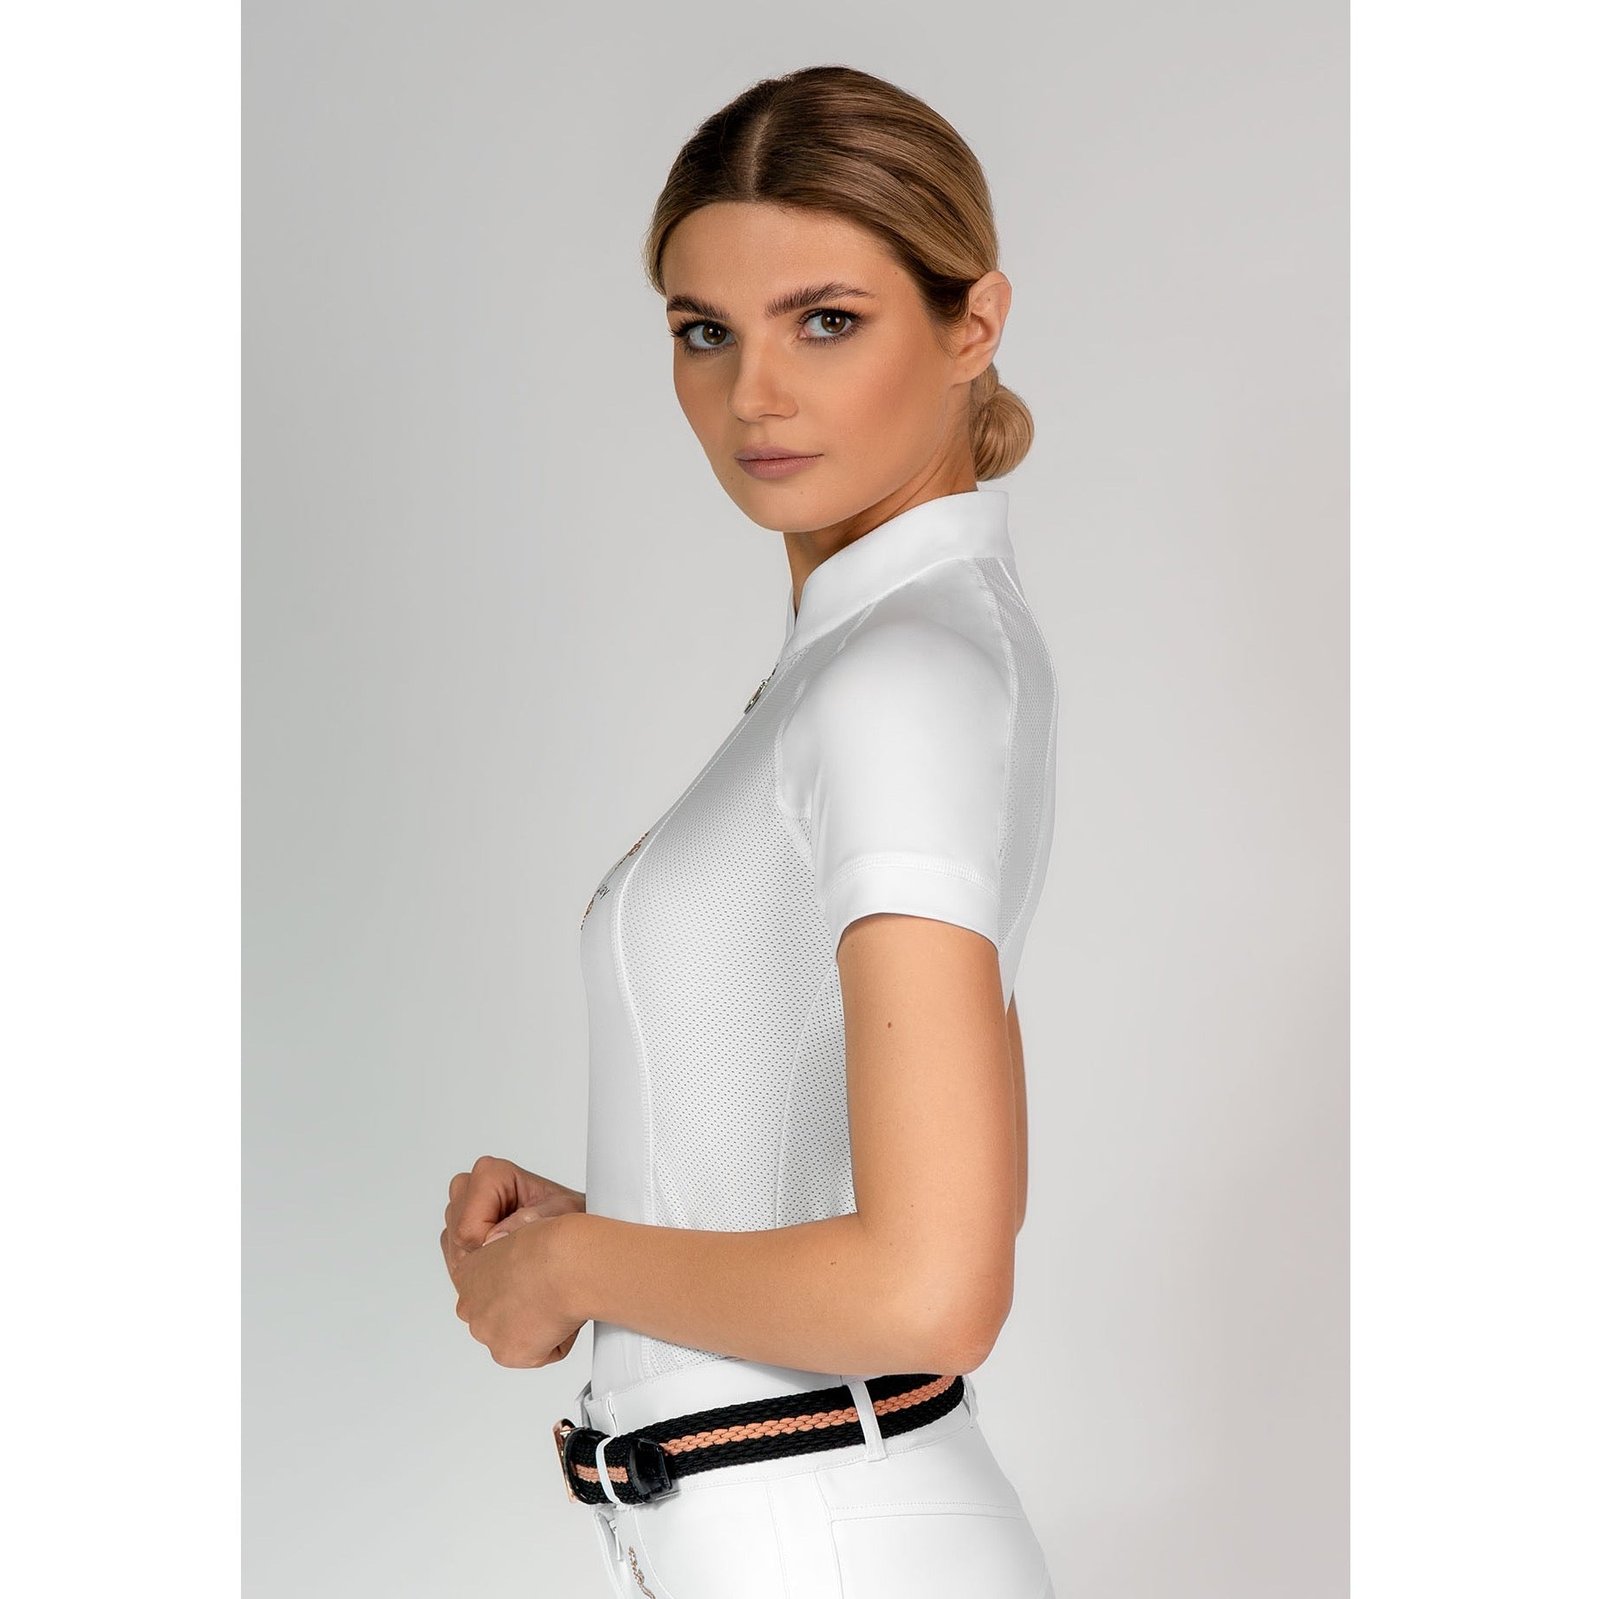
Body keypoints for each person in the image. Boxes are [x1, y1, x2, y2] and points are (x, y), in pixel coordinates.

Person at [441, 64, 1060, 1598]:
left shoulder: (900, 678)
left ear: (972, 324)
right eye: (704, 330)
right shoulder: (891, 652)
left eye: (825, 320)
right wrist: (635, 1223)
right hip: (792, 1529)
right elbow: (912, 1175)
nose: (753, 395)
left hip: (823, 1539)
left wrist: (570, 1268)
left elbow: (934, 1284)